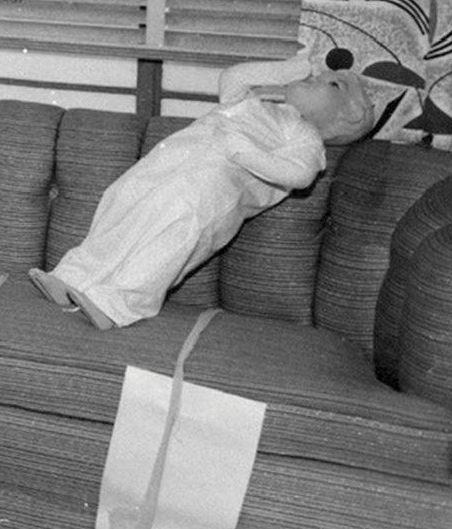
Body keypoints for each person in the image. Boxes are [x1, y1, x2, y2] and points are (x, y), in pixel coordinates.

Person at [30, 51, 376, 328]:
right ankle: (73, 275)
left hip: (210, 192)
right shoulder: (257, 107)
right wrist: (288, 69)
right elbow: (234, 77)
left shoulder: (304, 137)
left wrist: (241, 152)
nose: (315, 77)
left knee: (170, 237)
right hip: (167, 167)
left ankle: (118, 303)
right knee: (121, 201)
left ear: (346, 118)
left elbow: (298, 175)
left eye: (333, 85)